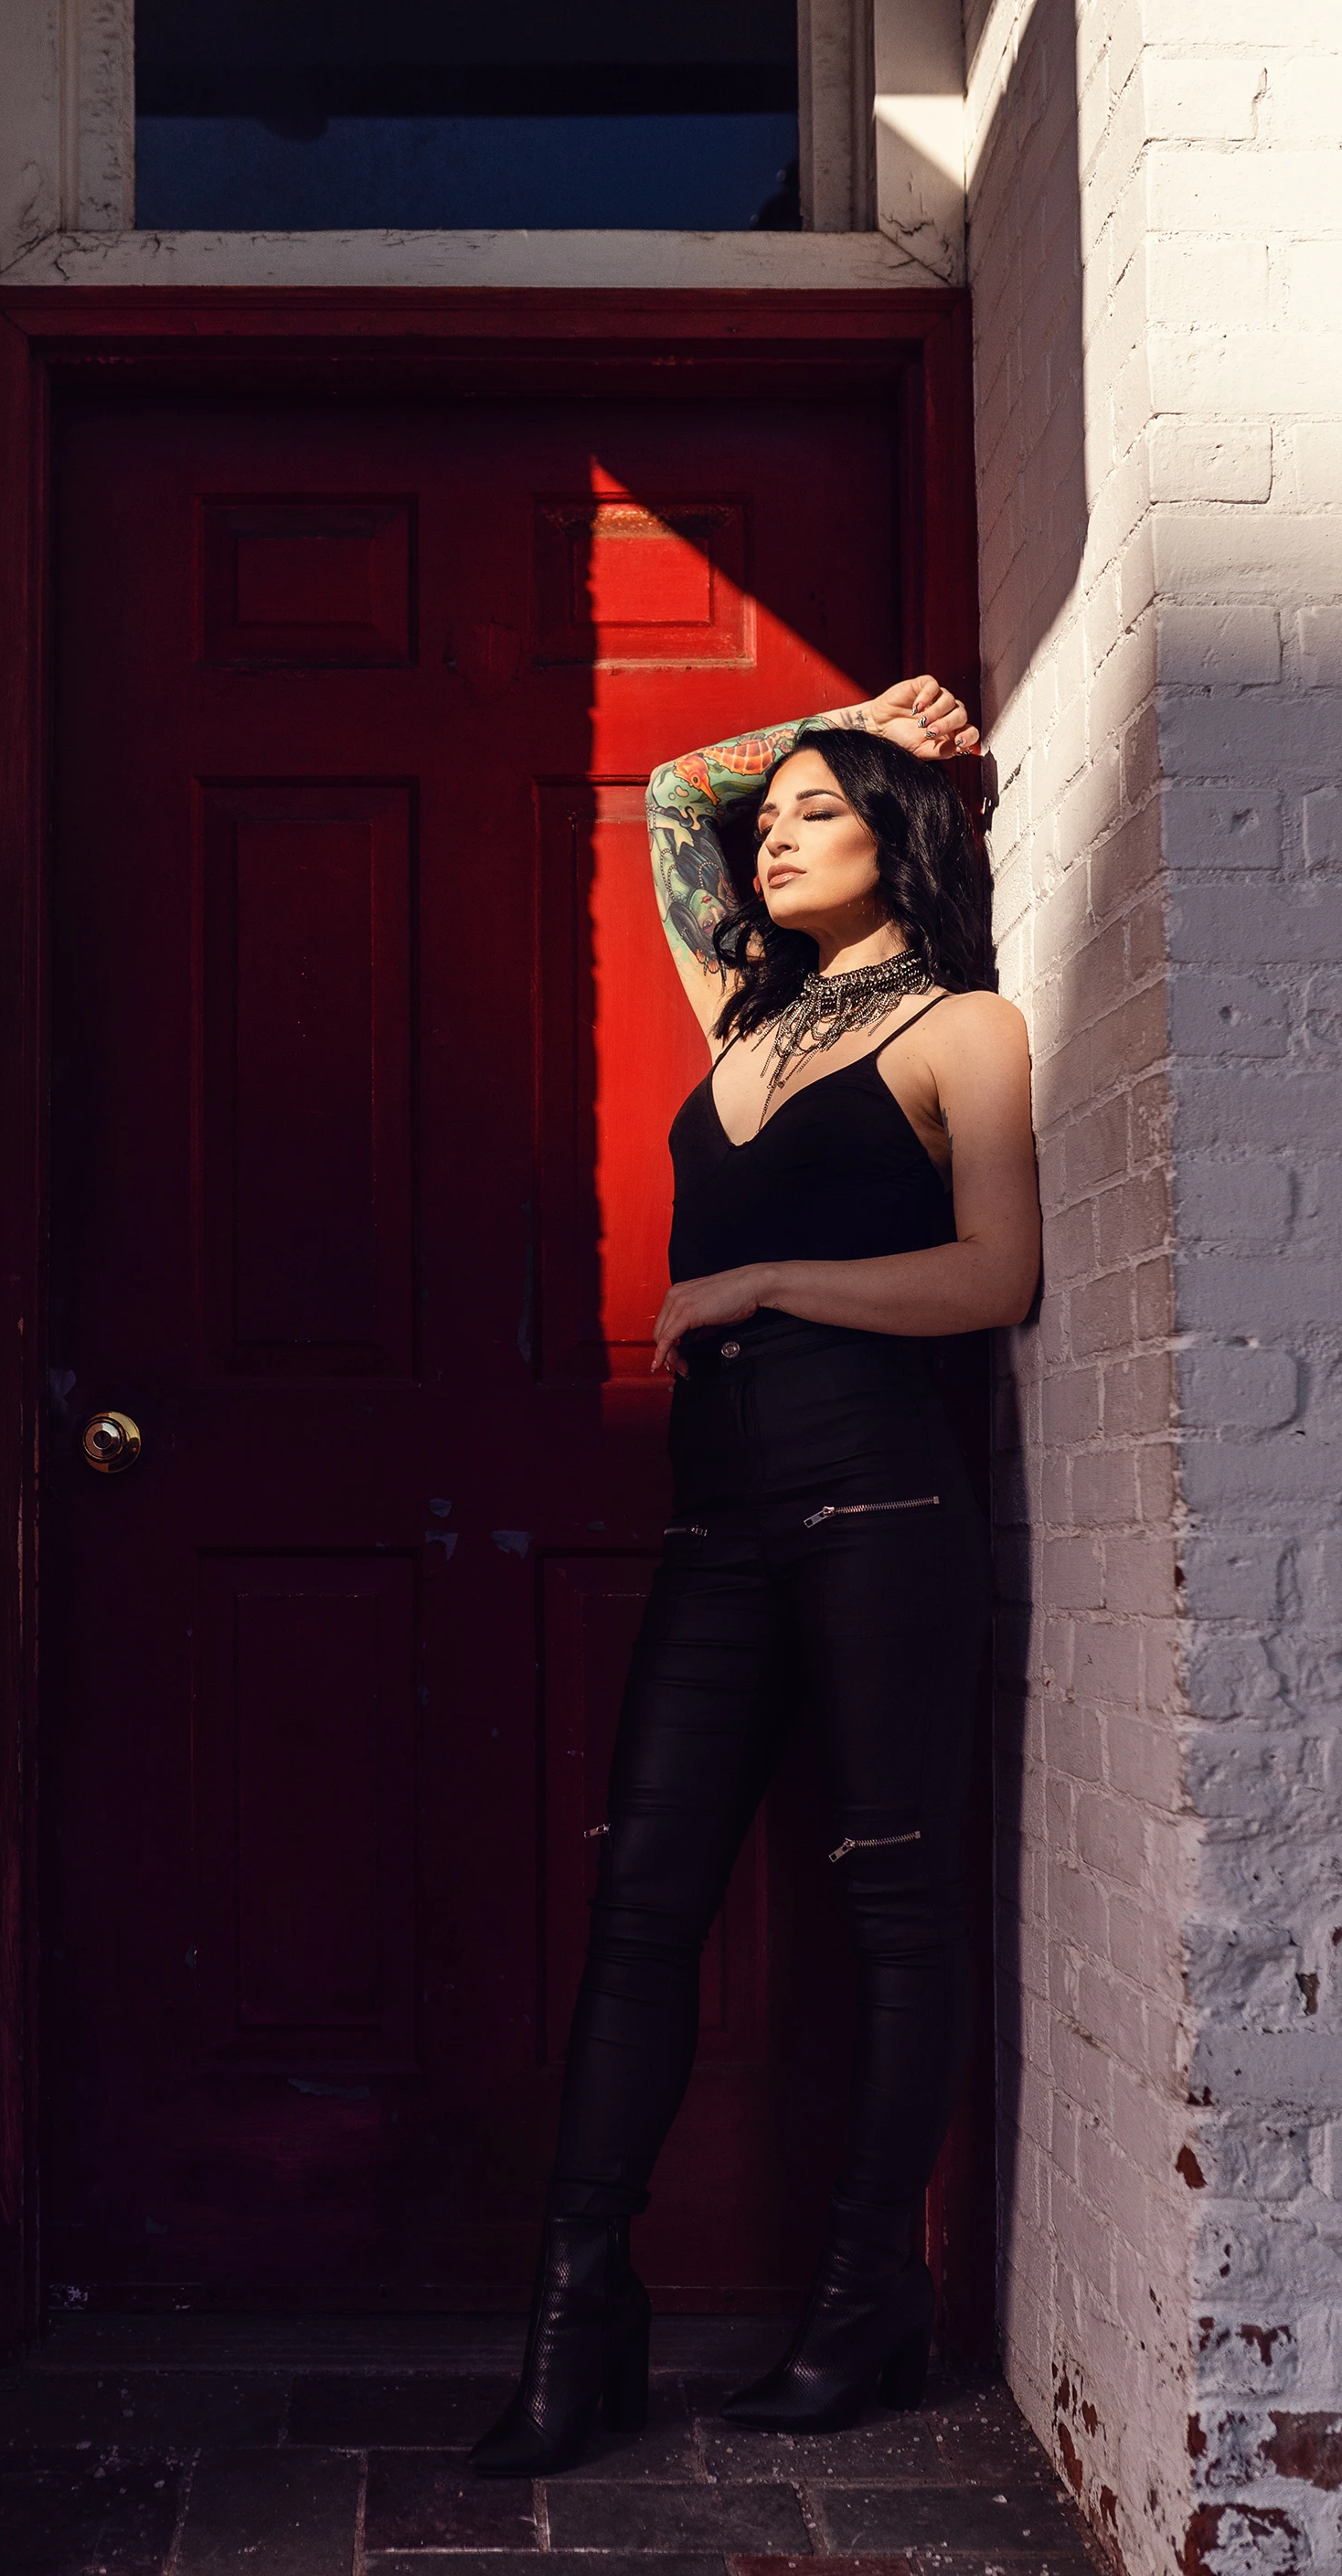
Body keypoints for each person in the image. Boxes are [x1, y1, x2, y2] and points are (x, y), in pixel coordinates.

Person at [472, 676, 1040, 2471]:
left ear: (901, 843)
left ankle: (865, 2307)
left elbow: (993, 1281)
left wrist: (759, 1284)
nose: (772, 829)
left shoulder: (965, 1031)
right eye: (776, 812)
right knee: (643, 1905)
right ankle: (582, 2322)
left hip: (882, 1509)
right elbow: (667, 793)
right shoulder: (743, 1008)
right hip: (719, 1526)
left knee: (892, 1910)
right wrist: (850, 712)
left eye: (818, 807)